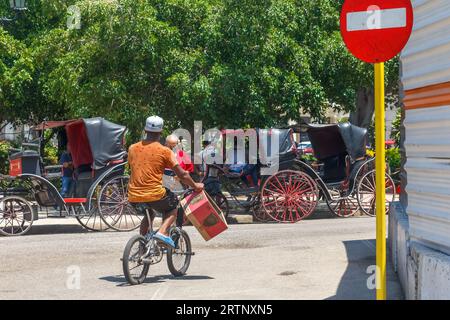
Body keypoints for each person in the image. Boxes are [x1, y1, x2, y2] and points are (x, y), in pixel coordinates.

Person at [128, 116, 203, 248]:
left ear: (146, 129)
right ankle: (163, 232)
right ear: (160, 132)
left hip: (133, 196)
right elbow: (183, 174)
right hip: (155, 194)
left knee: (149, 212)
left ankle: (142, 246)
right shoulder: (164, 152)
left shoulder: (132, 148)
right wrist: (195, 185)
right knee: (174, 206)